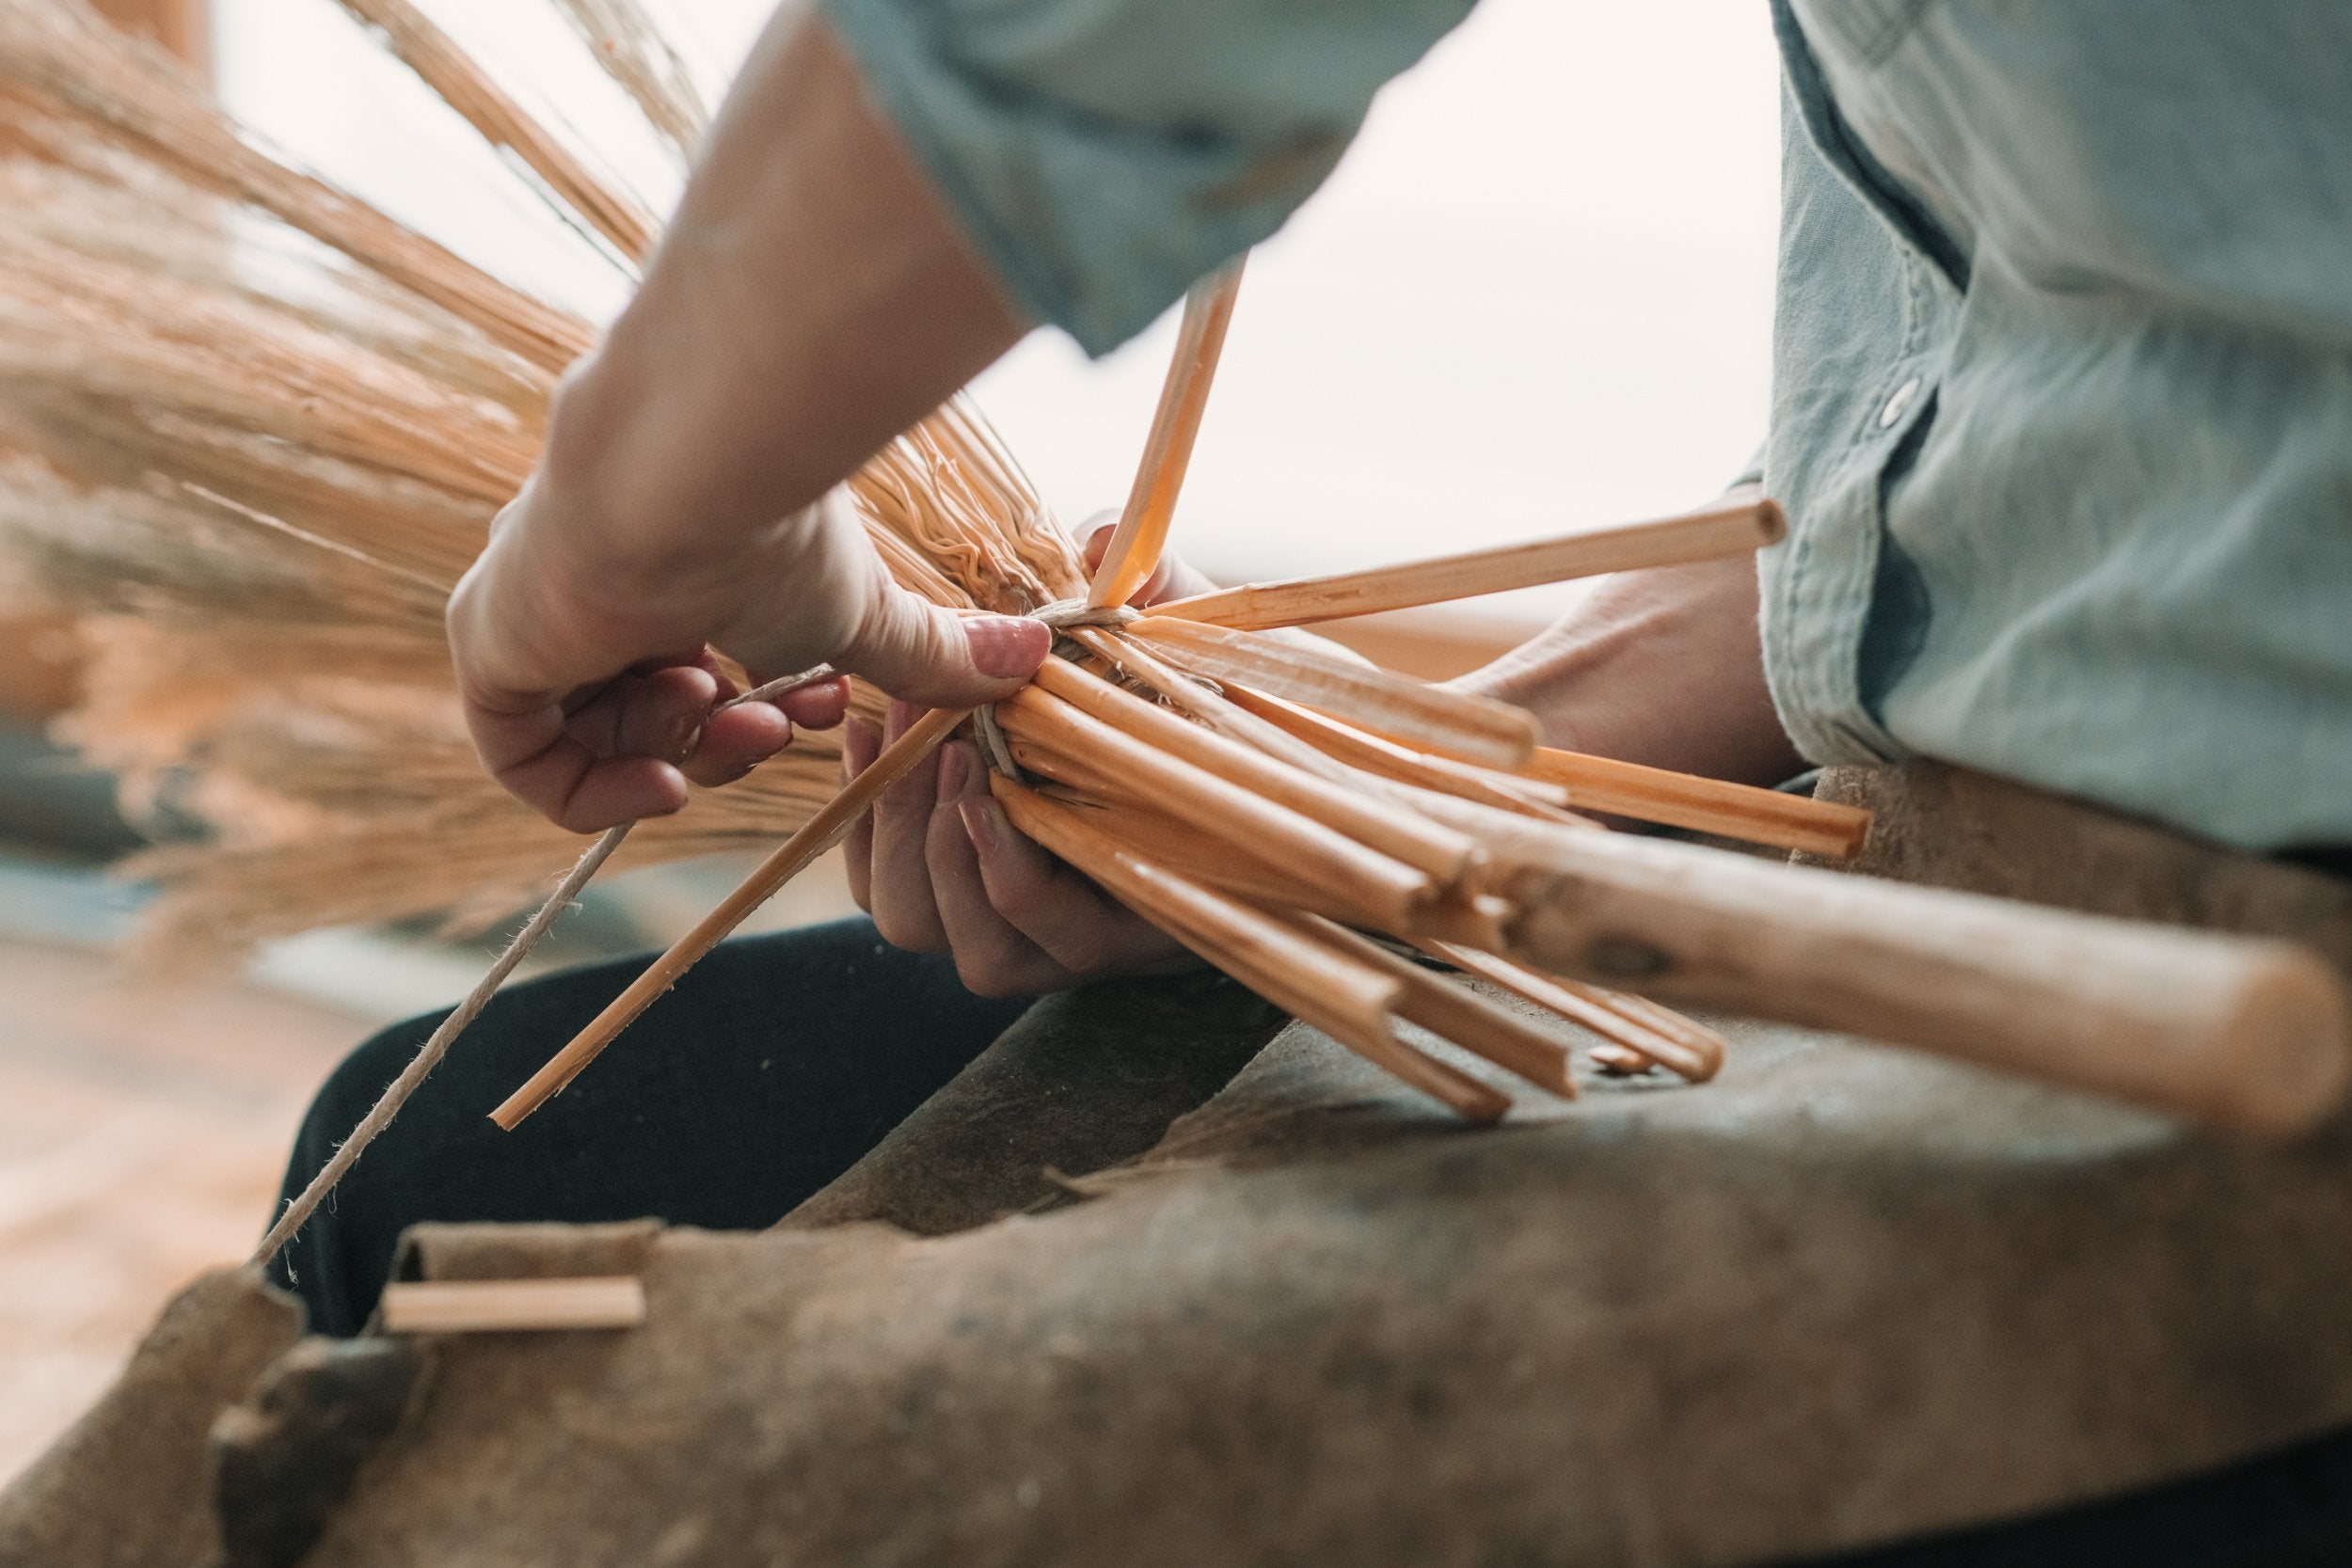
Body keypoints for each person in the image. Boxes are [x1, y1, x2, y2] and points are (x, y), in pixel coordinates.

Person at [274, 2, 2352, 1551]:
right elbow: (2046, 448)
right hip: (1932, 833)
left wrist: (632, 520)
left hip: (2246, 951)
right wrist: (1339, 773)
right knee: (433, 1142)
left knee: (496, 1364)